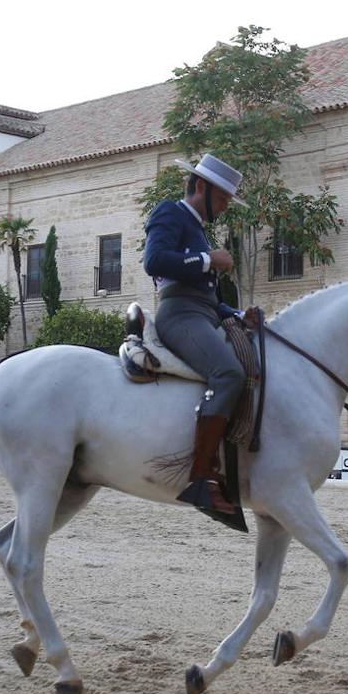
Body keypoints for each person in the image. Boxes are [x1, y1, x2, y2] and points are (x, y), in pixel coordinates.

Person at [143, 153, 256, 522]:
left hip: (204, 315)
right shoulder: (170, 213)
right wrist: (209, 260)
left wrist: (239, 315)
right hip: (179, 315)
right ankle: (200, 475)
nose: (224, 207)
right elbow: (154, 261)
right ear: (202, 187)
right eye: (223, 198)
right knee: (228, 373)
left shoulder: (201, 232)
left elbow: (213, 301)